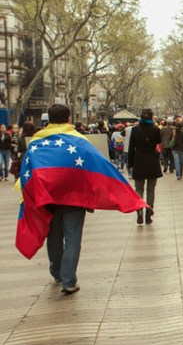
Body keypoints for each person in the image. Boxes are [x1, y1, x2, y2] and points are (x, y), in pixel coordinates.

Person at [15, 104, 145, 294]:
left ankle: (57, 272)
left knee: (54, 237)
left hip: (48, 199)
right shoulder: (79, 141)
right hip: (74, 199)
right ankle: (68, 281)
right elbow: (101, 166)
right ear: (68, 118)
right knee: (73, 239)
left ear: (48, 120)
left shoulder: (35, 143)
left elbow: (25, 174)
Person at [128, 108, 163, 224]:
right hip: (152, 161)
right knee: (151, 190)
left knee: (138, 188)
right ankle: (149, 212)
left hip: (139, 161)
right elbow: (158, 141)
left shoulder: (135, 129)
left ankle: (139, 210)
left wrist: (130, 164)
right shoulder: (156, 129)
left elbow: (131, 148)